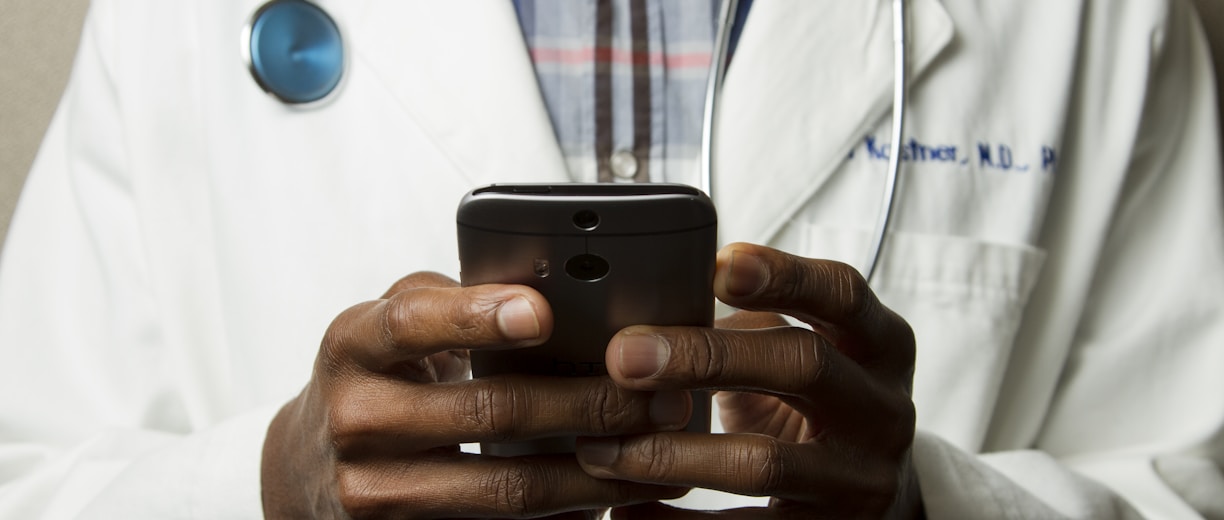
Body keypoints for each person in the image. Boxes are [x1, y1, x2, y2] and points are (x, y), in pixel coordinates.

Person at [2, 0, 1222, 518]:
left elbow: (1195, 483)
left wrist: (925, 503)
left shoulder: (1096, 17)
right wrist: (270, 488)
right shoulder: (171, 18)